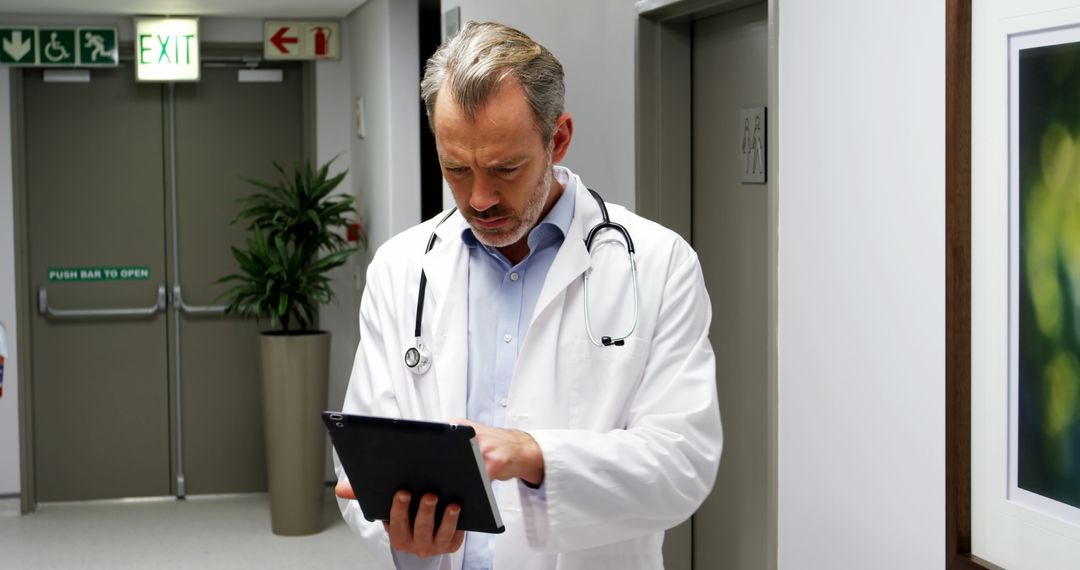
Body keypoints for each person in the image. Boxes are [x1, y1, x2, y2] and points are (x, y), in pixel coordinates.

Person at [335, 21, 722, 569]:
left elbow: (683, 464)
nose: (480, 197)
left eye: (505, 168)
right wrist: (397, 527)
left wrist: (535, 455)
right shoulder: (401, 269)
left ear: (557, 138)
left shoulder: (658, 265)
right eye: (456, 169)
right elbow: (362, 456)